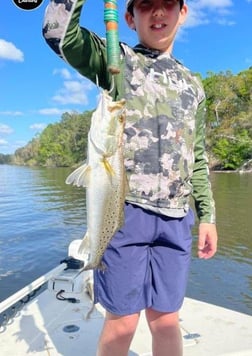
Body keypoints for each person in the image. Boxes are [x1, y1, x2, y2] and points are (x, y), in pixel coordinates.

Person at [43, 1, 218, 355]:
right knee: (122, 321)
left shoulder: (193, 86)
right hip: (125, 216)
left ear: (182, 12)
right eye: (146, 5)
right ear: (129, 18)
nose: (157, 12)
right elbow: (60, 34)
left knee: (167, 319)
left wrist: (207, 216)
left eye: (167, 4)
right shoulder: (117, 62)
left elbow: (197, 157)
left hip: (177, 219)